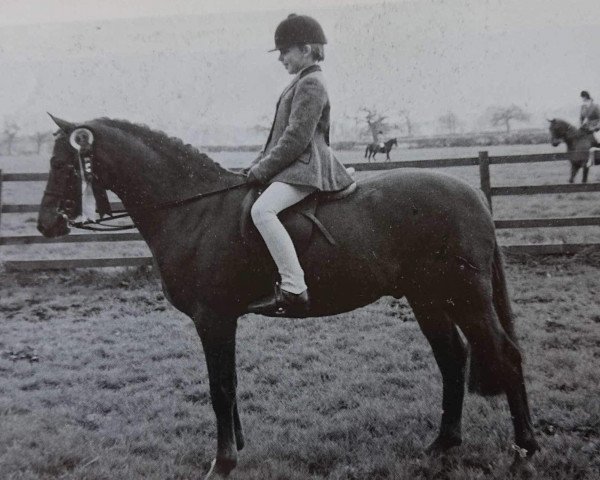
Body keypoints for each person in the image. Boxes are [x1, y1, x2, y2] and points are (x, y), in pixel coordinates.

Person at [245, 13, 354, 316]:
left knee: (262, 211)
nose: (280, 58)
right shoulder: (301, 81)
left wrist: (263, 170)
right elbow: (278, 136)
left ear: (306, 49)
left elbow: (296, 139)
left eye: (285, 51)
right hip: (295, 165)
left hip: (306, 168)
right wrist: (256, 164)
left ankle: (294, 288)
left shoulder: (312, 83)